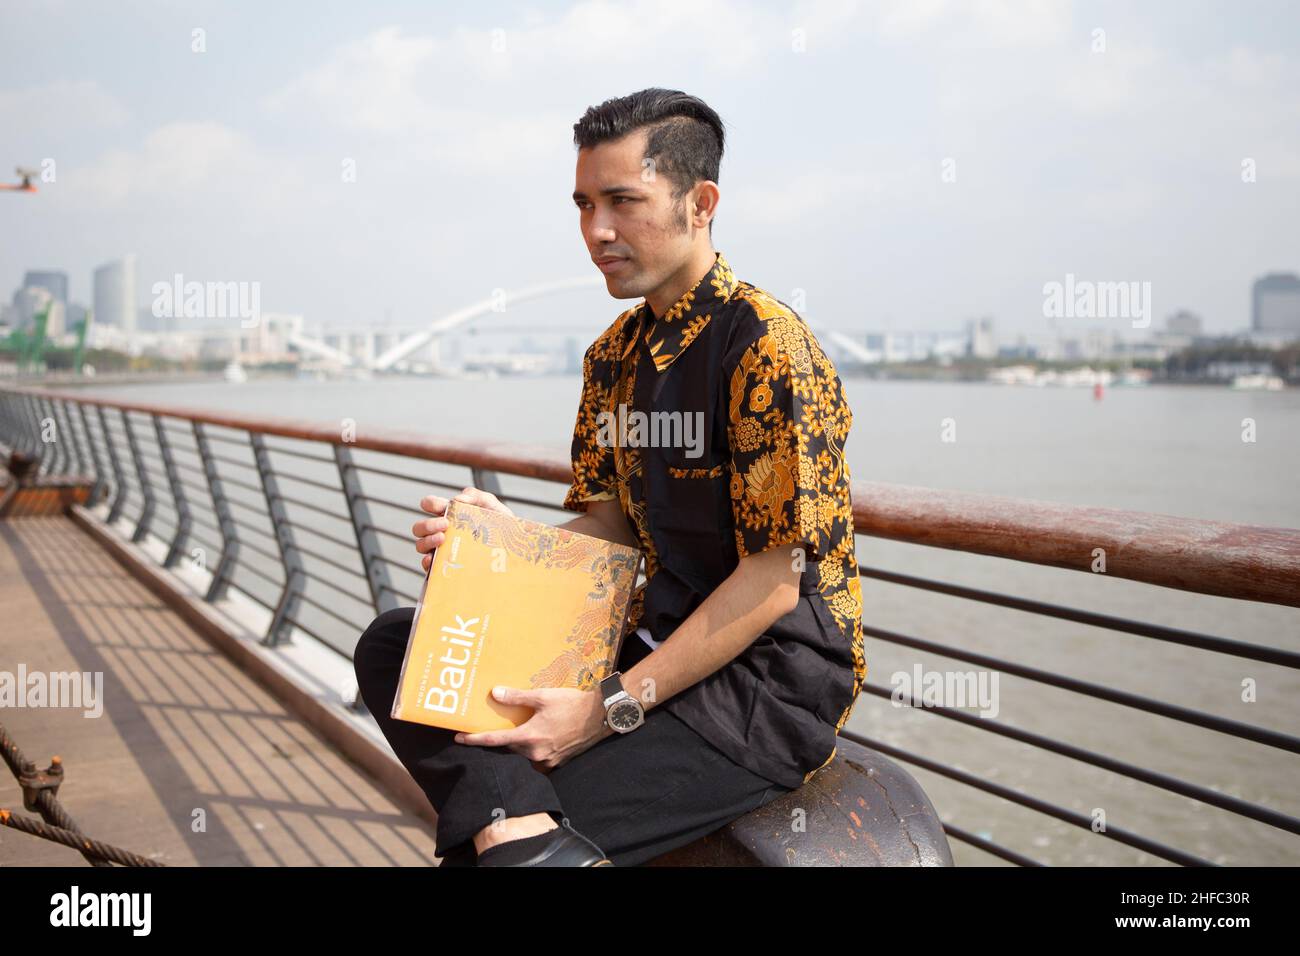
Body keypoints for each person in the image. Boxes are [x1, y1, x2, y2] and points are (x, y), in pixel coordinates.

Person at [353, 87, 865, 867]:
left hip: (761, 688)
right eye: (585, 203)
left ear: (701, 203)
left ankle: (517, 831)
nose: (597, 231)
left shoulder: (763, 347)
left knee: (485, 844)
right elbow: (611, 527)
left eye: (623, 201)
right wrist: (498, 547)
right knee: (396, 646)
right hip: (637, 638)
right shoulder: (614, 356)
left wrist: (606, 709)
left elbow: (772, 582)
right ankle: (522, 829)